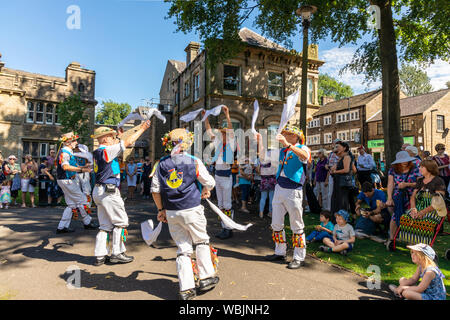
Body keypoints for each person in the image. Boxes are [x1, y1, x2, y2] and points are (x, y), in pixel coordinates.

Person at [152, 128, 219, 300]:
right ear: (188, 144)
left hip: (172, 211)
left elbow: (155, 190)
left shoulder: (161, 164)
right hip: (192, 209)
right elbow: (210, 181)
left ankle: (186, 288)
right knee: (201, 240)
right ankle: (206, 277)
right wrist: (206, 189)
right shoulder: (193, 161)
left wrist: (161, 210)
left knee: (183, 249)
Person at [92, 122, 151, 266]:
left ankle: (100, 255)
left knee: (104, 225)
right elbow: (128, 142)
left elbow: (120, 141)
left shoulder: (97, 152)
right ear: (105, 139)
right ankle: (116, 253)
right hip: (108, 191)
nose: (114, 139)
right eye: (111, 137)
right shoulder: (107, 150)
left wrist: (119, 135)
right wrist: (142, 128)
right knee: (121, 222)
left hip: (99, 190)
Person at [262, 126, 311, 269]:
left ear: (295, 136)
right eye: (284, 134)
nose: (285, 136)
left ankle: (299, 257)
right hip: (279, 187)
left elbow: (305, 157)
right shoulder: (283, 150)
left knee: (296, 224)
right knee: (276, 223)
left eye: (288, 134)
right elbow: (264, 156)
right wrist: (260, 141)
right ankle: (280, 252)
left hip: (293, 190)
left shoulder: (303, 147)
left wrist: (288, 145)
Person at [204, 106, 236, 240]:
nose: (222, 135)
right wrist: (205, 117)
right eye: (222, 133)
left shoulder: (231, 143)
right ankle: (224, 226)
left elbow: (231, 130)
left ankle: (228, 228)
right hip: (218, 175)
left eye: (224, 133)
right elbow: (208, 130)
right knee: (221, 203)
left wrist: (227, 114)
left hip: (227, 175)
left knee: (227, 204)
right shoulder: (217, 143)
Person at [55, 133, 98, 233]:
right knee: (83, 200)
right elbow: (65, 167)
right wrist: (82, 170)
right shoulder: (65, 152)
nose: (76, 143)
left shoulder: (68, 152)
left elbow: (71, 166)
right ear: (69, 142)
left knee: (71, 204)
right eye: (75, 141)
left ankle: (62, 227)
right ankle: (88, 222)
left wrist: (84, 168)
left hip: (65, 180)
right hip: (67, 180)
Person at [385, 151, 421, 250]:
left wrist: (407, 184)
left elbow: (420, 183)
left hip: (412, 196)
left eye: (406, 160)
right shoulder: (393, 170)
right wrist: (389, 197)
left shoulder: (415, 168)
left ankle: (410, 240)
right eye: (402, 161)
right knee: (395, 216)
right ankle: (392, 239)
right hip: (399, 196)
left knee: (410, 216)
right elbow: (390, 184)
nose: (404, 162)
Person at [330, 141, 353, 218]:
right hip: (337, 182)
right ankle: (336, 218)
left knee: (342, 201)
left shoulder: (347, 157)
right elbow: (332, 168)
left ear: (344, 148)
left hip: (342, 183)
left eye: (338, 147)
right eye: (336, 147)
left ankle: (343, 218)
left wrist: (335, 171)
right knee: (336, 199)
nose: (336, 149)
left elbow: (346, 170)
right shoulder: (340, 158)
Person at [257, 149, 278, 219]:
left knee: (263, 197)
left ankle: (261, 213)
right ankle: (270, 212)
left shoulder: (261, 160)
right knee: (271, 198)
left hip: (263, 180)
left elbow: (258, 170)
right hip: (272, 180)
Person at [325, 139, 341, 212]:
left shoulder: (341, 153)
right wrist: (327, 166)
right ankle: (329, 208)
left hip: (339, 175)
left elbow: (340, 164)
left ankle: (338, 208)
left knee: (338, 193)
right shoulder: (331, 154)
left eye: (337, 143)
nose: (335, 145)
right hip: (331, 175)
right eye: (334, 143)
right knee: (330, 193)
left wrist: (334, 167)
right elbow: (327, 164)